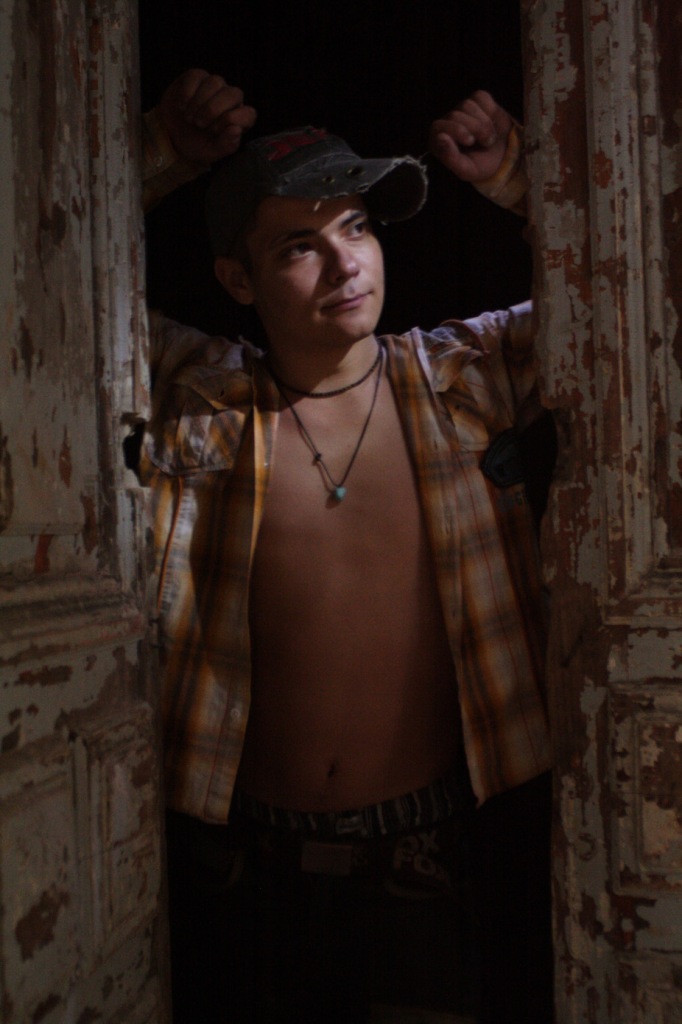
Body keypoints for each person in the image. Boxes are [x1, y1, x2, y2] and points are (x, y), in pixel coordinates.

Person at [140, 70, 554, 1023]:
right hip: (240, 862)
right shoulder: (201, 395)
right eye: (300, 245)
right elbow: (33, 292)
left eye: (358, 228)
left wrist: (521, 178)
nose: (345, 265)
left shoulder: (468, 373)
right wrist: (160, 151)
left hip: (428, 858)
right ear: (239, 279)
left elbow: (645, 293)